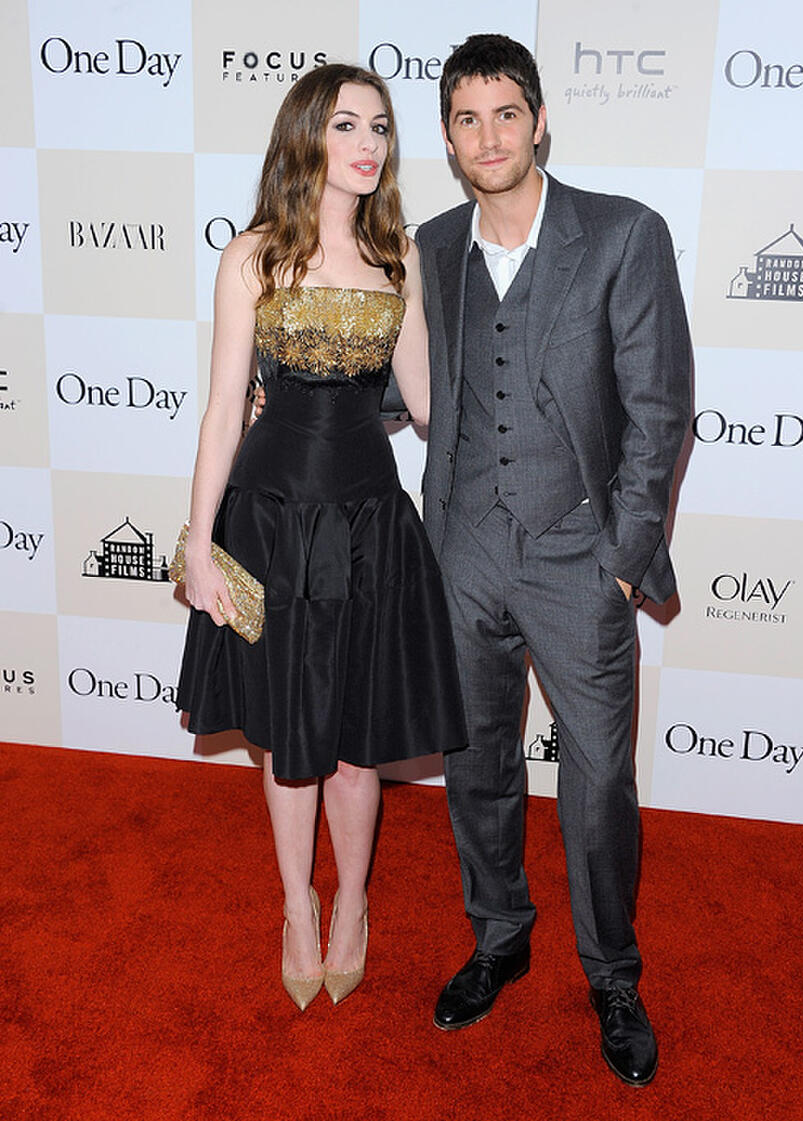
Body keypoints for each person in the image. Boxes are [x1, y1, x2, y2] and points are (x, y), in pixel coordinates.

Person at [415, 35, 691, 1085]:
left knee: (593, 783)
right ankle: (498, 933)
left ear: (538, 121)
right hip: (461, 548)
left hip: (580, 552)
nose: (488, 135)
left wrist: (623, 558)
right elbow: (409, 387)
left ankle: (611, 968)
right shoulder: (431, 246)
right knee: (477, 761)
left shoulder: (621, 235)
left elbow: (659, 406)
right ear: (448, 137)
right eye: (466, 118)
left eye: (504, 112)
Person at [175, 63, 466, 1013]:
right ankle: (298, 906)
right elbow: (224, 409)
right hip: (266, 524)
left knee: (354, 743)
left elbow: (427, 405)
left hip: (372, 524)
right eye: (347, 126)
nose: (369, 144)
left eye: (380, 126)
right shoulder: (252, 255)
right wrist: (194, 540)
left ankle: (353, 908)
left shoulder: (401, 257)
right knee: (286, 739)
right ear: (307, 136)